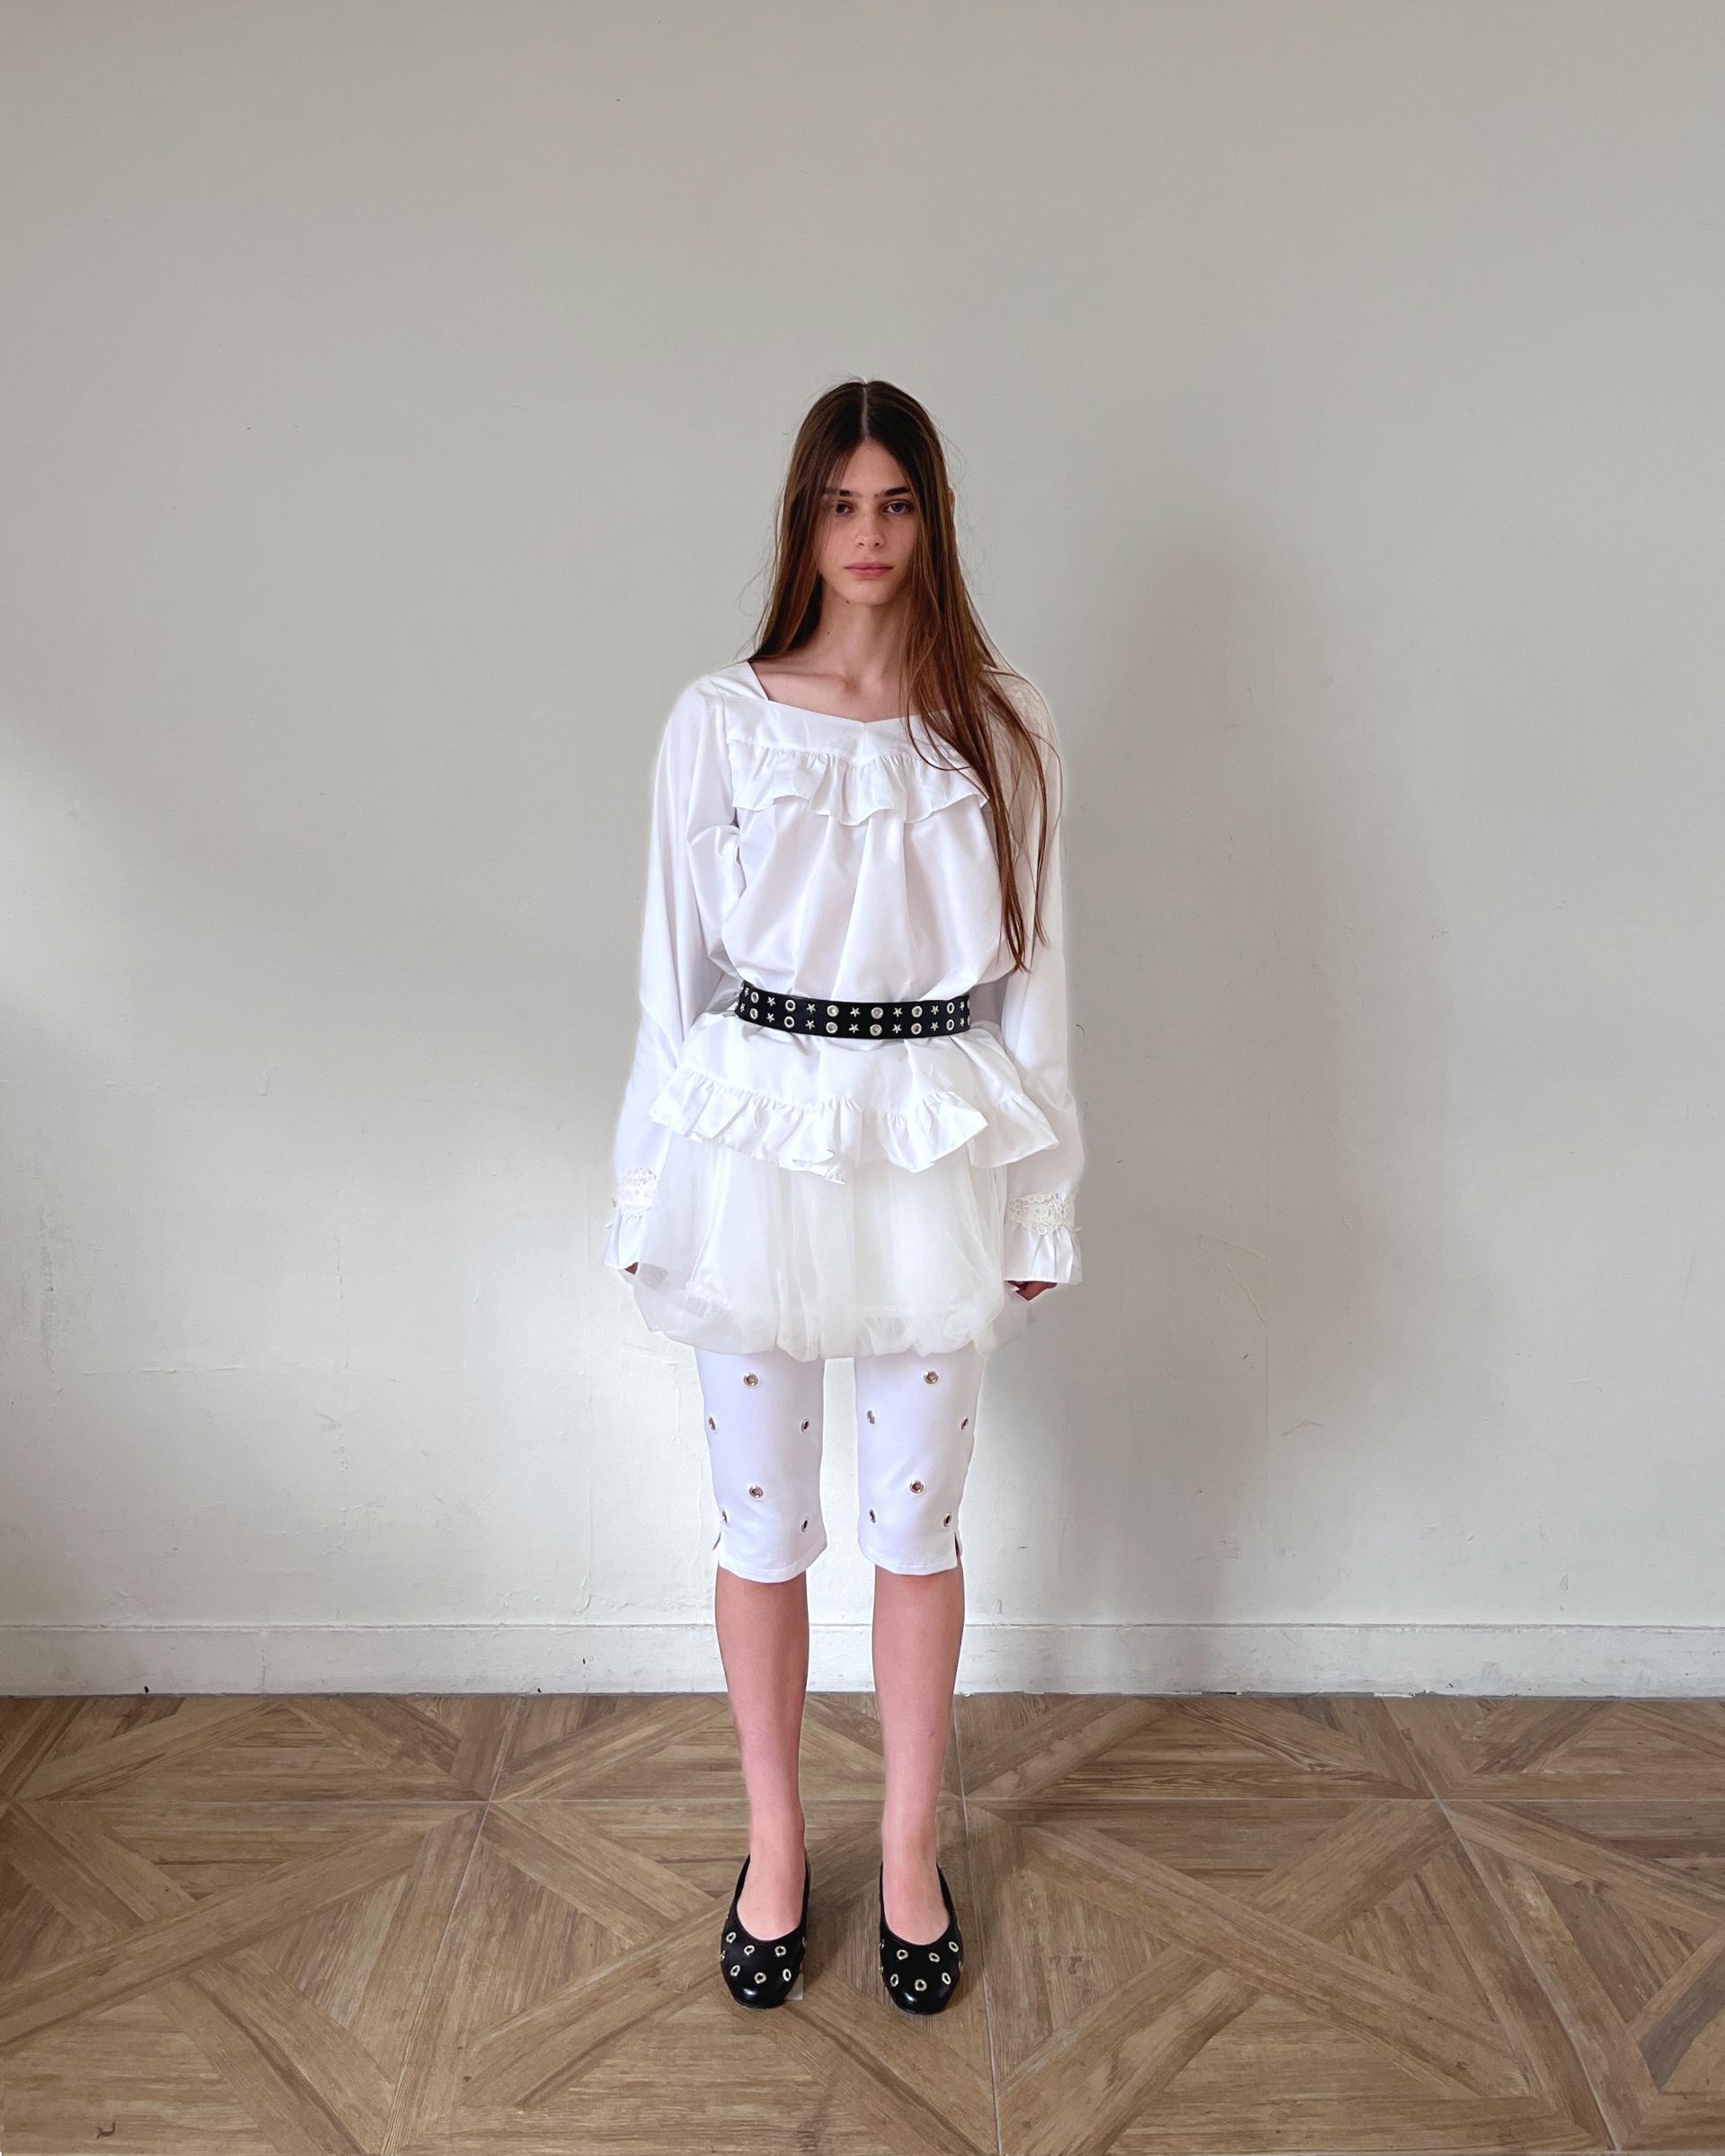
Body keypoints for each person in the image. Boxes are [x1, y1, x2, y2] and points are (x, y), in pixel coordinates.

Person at [601, 377, 1084, 2013]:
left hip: (934, 1149)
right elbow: (672, 982)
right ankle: (773, 1844)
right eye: (839, 505)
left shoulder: (1001, 724)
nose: (868, 535)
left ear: (932, 522)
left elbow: (1039, 982)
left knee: (915, 1522)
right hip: (754, 1153)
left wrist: (1040, 1205)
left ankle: (907, 1850)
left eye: (896, 505)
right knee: (761, 1522)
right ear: (802, 521)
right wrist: (644, 1195)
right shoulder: (721, 720)